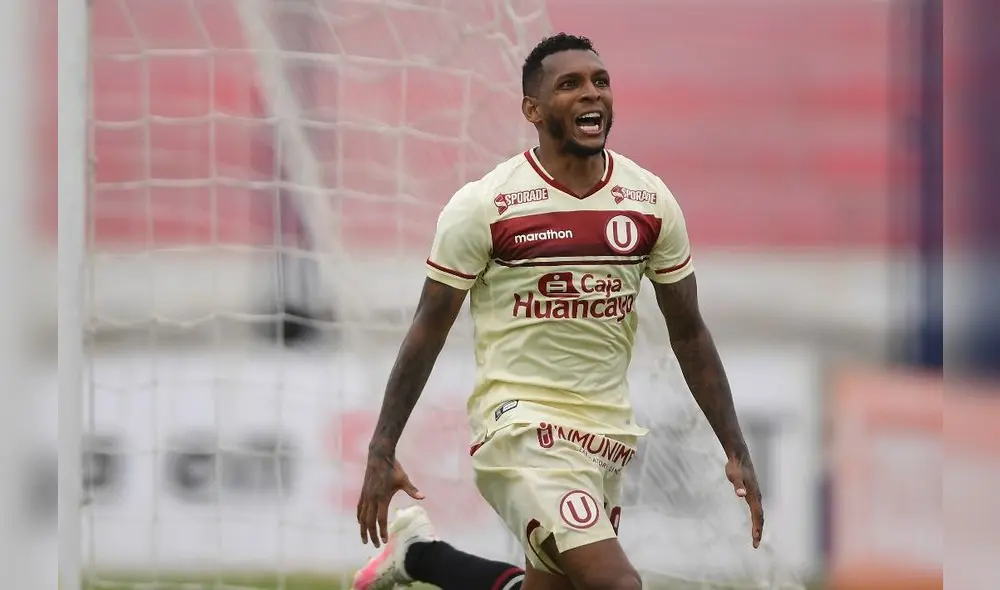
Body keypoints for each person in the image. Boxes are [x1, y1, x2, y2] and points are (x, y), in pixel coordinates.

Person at [354, 32, 764, 590]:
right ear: (532, 108)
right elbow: (427, 330)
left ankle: (420, 556)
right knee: (618, 585)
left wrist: (734, 446)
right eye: (569, 85)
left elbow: (689, 332)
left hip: (605, 434)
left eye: (600, 82)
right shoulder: (487, 206)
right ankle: (420, 554)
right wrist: (382, 448)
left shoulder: (649, 201)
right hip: (519, 428)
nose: (590, 94)